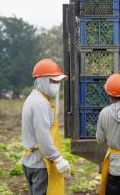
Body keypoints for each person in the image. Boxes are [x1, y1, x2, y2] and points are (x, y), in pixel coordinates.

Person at [21, 59, 71, 195]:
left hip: (33, 162)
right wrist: (58, 159)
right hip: (41, 165)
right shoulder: (40, 103)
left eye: (58, 82)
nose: (56, 85)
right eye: (53, 81)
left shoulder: (34, 98)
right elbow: (42, 136)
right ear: (42, 80)